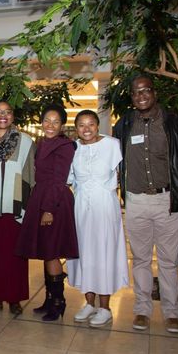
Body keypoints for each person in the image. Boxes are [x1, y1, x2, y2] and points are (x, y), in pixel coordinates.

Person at [113, 75, 178, 333]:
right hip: (136, 201)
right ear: (131, 97)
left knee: (168, 261)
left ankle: (171, 313)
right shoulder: (124, 124)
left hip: (166, 201)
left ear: (154, 93)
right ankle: (142, 310)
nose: (141, 96)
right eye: (136, 92)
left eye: (145, 91)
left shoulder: (173, 122)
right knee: (141, 259)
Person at [67, 110, 129, 327]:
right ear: (76, 129)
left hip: (105, 207)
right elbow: (69, 179)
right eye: (81, 125)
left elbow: (123, 173)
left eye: (91, 124)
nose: (86, 129)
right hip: (82, 206)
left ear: (98, 125)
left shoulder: (113, 145)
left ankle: (105, 307)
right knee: (85, 253)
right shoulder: (73, 149)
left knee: (104, 253)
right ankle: (89, 303)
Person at [16, 104, 78, 322]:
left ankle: (59, 302)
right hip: (40, 196)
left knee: (51, 251)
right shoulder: (43, 143)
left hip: (54, 200)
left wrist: (49, 209)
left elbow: (59, 179)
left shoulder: (65, 145)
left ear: (62, 125)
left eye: (56, 122)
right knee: (45, 250)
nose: (50, 125)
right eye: (47, 121)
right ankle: (49, 299)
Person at [0, 101, 35, 314]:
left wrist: (28, 207)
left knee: (15, 256)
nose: (2, 116)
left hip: (15, 206)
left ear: (13, 116)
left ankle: (14, 298)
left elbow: (31, 175)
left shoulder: (25, 141)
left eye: (7, 112)